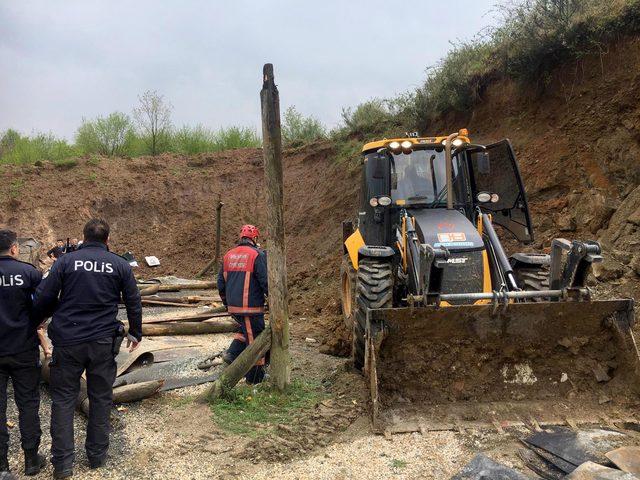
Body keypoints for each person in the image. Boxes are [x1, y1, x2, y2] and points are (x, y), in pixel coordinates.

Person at [34, 219, 143, 479]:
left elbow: (45, 296)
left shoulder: (65, 262)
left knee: (63, 400)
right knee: (100, 397)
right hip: (103, 343)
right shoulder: (120, 264)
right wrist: (136, 332)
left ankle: (62, 465)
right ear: (108, 239)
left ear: (83, 237)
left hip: (68, 341)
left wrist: (37, 320)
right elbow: (133, 300)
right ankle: (96, 456)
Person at [0, 230, 46, 476]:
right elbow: (43, 303)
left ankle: (2, 467)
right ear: (14, 248)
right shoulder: (29, 273)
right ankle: (31, 460)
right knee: (28, 405)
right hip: (23, 349)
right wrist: (34, 324)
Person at [217, 225, 269, 384]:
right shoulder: (257, 255)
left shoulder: (228, 255)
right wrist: (273, 300)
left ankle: (231, 354)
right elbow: (265, 281)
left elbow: (220, 283)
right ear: (255, 239)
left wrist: (227, 303)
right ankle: (254, 378)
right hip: (250, 308)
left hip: (234, 307)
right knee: (255, 342)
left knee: (245, 330)